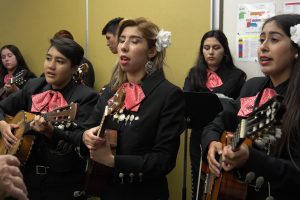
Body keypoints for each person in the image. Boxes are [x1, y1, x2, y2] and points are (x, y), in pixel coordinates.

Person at [82, 17, 185, 200]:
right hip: (108, 192)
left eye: (134, 41)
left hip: (145, 193)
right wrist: (86, 136)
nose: (124, 46)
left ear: (152, 51)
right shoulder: (110, 90)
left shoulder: (168, 95)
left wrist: (114, 162)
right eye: (122, 40)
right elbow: (88, 127)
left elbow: (164, 160)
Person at [202, 14, 300, 199]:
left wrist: (251, 158)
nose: (263, 47)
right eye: (261, 39)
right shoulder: (253, 87)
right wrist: (212, 142)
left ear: (296, 49)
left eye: (274, 39)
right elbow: (219, 121)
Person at [0, 38, 99, 200]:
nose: (50, 66)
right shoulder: (34, 85)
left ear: (74, 68)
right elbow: (2, 107)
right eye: (48, 58)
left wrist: (52, 132)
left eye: (60, 61)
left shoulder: (87, 97)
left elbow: (82, 142)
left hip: (62, 182)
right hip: (25, 176)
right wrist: (3, 125)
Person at [183, 30, 246, 199]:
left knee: (220, 184)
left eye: (216, 48)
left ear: (224, 51)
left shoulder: (237, 76)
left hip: (224, 138)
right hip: (197, 137)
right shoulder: (194, 73)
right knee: (198, 183)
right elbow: (186, 102)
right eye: (206, 48)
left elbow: (237, 110)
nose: (210, 52)